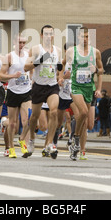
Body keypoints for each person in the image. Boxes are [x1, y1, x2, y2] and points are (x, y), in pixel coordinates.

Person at [60, 27, 103, 161]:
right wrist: (60, 77)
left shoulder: (95, 52)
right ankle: (76, 140)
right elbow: (61, 64)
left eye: (86, 37)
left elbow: (101, 70)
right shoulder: (71, 51)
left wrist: (96, 70)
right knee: (83, 112)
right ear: (77, 37)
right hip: (75, 86)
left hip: (88, 87)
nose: (84, 39)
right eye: (81, 36)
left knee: (85, 122)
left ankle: (77, 145)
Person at [21, 25, 63, 159]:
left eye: (50, 34)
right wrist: (39, 60)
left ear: (53, 36)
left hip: (52, 86)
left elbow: (60, 67)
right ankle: (32, 139)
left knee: (54, 111)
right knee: (34, 116)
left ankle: (49, 143)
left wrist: (60, 75)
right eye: (45, 34)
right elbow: (26, 67)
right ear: (41, 35)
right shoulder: (35, 49)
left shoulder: (57, 50)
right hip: (38, 86)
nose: (48, 36)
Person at [0, 34, 31, 158]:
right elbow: (1, 76)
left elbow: (31, 69)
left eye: (23, 42)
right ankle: (11, 147)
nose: (22, 45)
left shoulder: (28, 55)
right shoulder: (9, 57)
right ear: (14, 42)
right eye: (20, 42)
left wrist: (32, 80)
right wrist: (13, 76)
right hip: (13, 92)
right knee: (13, 123)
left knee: (29, 118)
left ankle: (22, 139)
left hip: (26, 91)